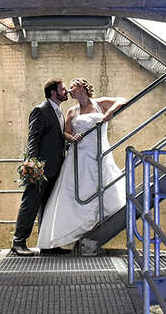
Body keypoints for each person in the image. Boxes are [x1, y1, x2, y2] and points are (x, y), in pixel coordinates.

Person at [37, 78, 126, 252]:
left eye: (72, 87)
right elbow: (66, 132)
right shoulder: (72, 111)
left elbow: (122, 100)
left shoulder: (99, 104)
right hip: (79, 155)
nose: (69, 90)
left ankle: (96, 224)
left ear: (82, 87)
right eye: (67, 88)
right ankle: (71, 232)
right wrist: (72, 138)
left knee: (103, 187)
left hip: (100, 153)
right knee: (75, 191)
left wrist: (109, 113)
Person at [11, 78, 69, 256]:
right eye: (63, 89)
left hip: (56, 167)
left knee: (48, 206)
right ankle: (18, 242)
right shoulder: (40, 110)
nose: (65, 92)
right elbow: (33, 138)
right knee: (31, 203)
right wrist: (32, 163)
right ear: (53, 92)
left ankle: (46, 244)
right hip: (40, 168)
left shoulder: (59, 112)